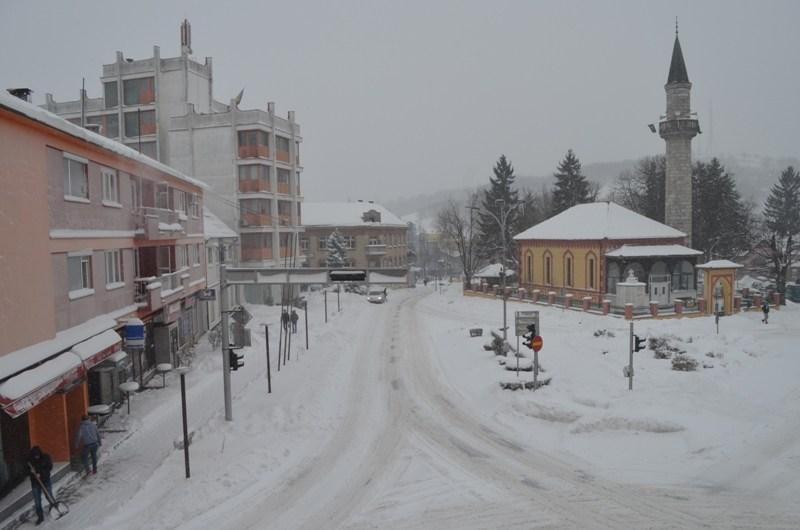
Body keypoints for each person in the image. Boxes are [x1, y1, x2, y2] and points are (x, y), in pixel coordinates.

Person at [27, 446, 53, 525]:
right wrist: (31, 472)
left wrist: (41, 474)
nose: (36, 457)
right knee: (37, 501)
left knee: (49, 495)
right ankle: (40, 517)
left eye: (37, 455)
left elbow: (49, 467)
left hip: (45, 480)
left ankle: (53, 507)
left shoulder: (45, 457)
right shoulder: (30, 461)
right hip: (35, 483)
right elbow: (25, 472)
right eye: (35, 456)